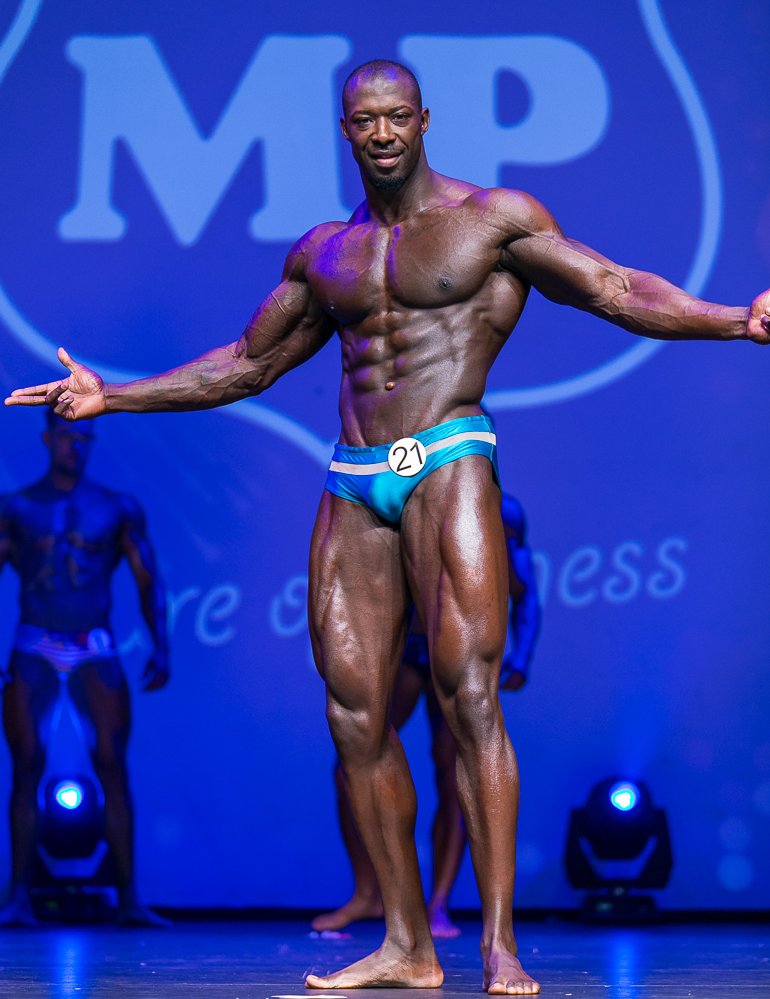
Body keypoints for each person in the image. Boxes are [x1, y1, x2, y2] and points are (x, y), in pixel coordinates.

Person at [5, 58, 769, 993]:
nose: (382, 133)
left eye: (397, 117)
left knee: (469, 697)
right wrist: (113, 397)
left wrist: (737, 321)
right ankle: (407, 944)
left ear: (423, 120)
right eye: (365, 119)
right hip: (354, 475)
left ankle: (498, 945)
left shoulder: (492, 220)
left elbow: (614, 288)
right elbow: (244, 363)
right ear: (345, 129)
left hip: (448, 455)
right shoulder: (325, 253)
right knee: (354, 715)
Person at [312, 492, 539, 939]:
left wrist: (523, 655)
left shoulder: (501, 510)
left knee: (456, 773)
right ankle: (367, 893)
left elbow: (523, 588)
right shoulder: (400, 494)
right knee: (353, 760)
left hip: (458, 643)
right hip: (407, 645)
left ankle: (438, 905)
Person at [0, 411, 170, 927]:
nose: (77, 447)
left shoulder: (115, 508)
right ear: (48, 439)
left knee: (113, 767)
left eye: (84, 439)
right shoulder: (17, 507)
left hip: (93, 643)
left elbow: (148, 580)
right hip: (35, 641)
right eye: (68, 438)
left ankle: (130, 898)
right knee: (26, 768)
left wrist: (162, 646)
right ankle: (18, 896)